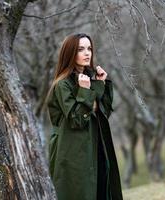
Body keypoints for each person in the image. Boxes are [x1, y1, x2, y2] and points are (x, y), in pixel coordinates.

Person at [45, 33, 123, 200]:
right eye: (81, 49)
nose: (87, 53)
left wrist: (102, 84)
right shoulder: (63, 84)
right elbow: (77, 119)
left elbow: (103, 114)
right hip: (72, 154)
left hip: (94, 147)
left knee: (103, 191)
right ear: (70, 53)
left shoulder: (89, 78)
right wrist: (85, 91)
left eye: (89, 49)